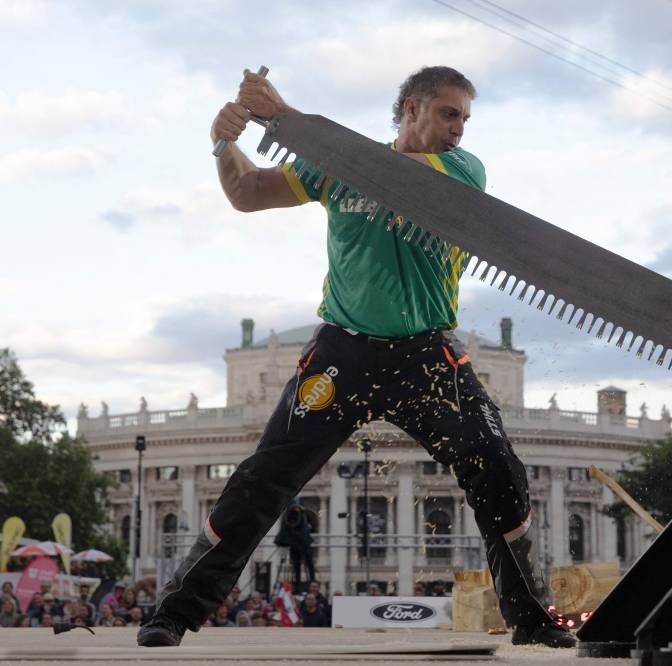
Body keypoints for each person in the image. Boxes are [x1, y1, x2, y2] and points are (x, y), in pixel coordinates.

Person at [137, 65, 573, 649]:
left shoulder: (462, 171)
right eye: (449, 114)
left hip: (426, 354)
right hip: (343, 351)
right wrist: (225, 143)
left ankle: (531, 616)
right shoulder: (336, 166)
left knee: (498, 468)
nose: (459, 129)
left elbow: (391, 172)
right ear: (411, 109)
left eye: (466, 118)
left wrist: (283, 117)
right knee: (262, 479)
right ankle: (173, 611)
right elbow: (247, 193)